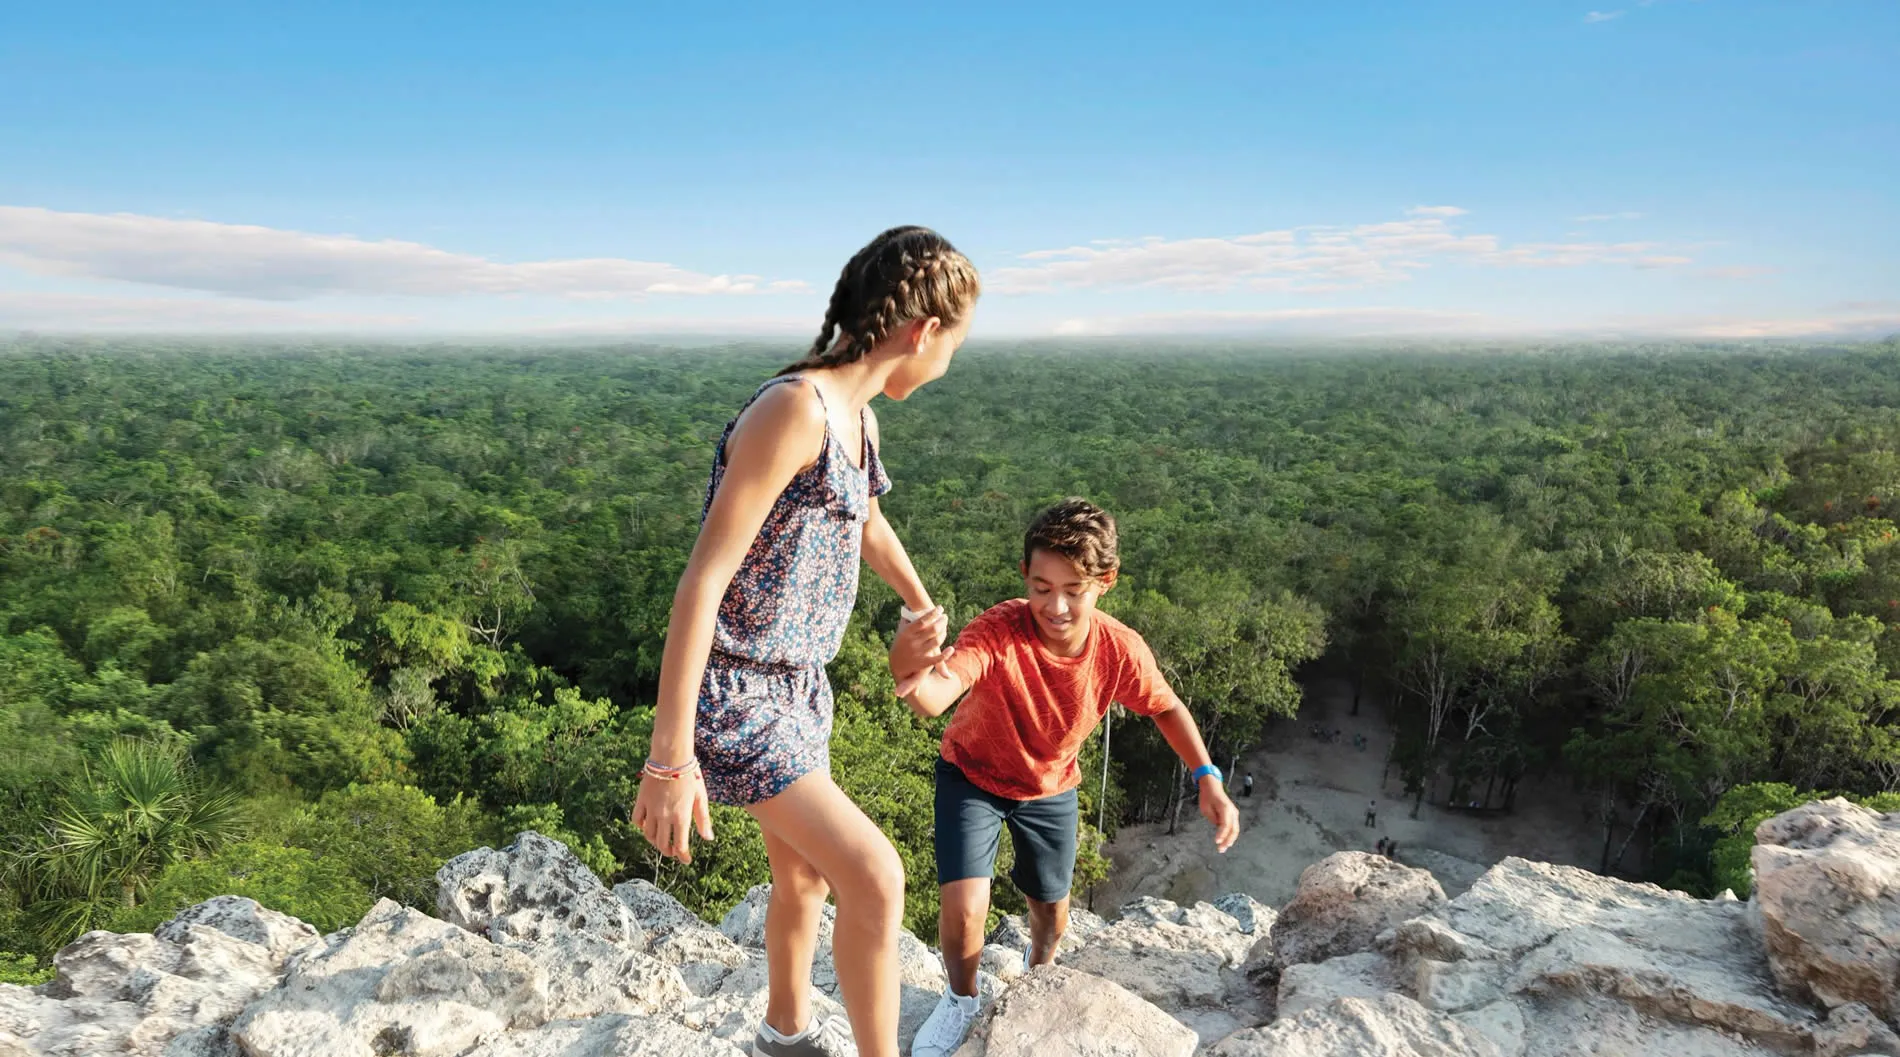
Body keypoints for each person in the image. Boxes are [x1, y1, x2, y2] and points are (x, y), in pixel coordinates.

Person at [630, 227, 980, 1057]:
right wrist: (669, 759)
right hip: (737, 687)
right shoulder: (795, 409)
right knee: (875, 873)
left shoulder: (856, 420)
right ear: (923, 332)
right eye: (955, 344)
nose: (949, 363)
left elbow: (866, 517)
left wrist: (918, 601)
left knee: (805, 875)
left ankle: (783, 1032)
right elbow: (702, 582)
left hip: (799, 689)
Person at [888, 499, 1241, 1057]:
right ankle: (961, 1000)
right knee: (963, 908)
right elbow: (936, 696)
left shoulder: (1118, 650)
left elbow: (1166, 707)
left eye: (1073, 589)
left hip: (1050, 787)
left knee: (1051, 913)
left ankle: (1039, 974)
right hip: (971, 776)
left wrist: (1206, 776)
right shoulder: (1002, 629)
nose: (1054, 605)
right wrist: (907, 665)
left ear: (1106, 581)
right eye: (1040, 586)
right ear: (1025, 578)